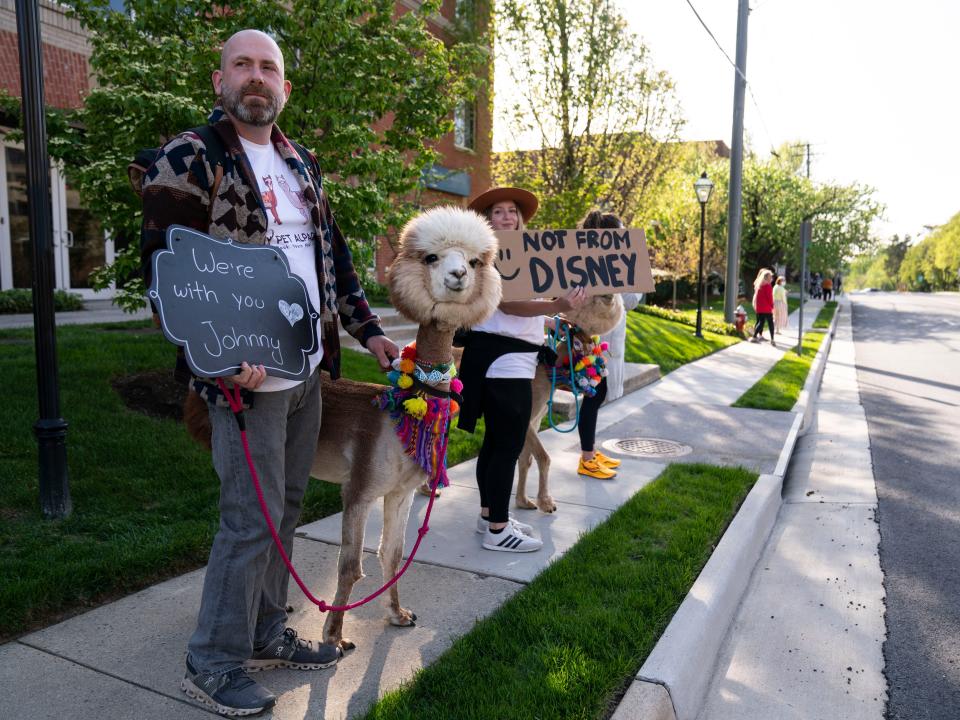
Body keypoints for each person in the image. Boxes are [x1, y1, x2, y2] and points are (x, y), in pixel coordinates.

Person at [141, 30, 398, 717]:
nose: (257, 78)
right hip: (241, 381)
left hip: (308, 372)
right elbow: (167, 274)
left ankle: (264, 629)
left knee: (284, 510)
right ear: (219, 79)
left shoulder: (300, 161)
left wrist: (371, 333)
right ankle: (212, 661)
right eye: (243, 65)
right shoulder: (190, 157)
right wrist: (222, 359)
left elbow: (334, 258)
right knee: (248, 520)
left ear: (284, 86)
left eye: (270, 68)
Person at [458, 187, 585, 552]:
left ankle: (489, 518)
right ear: (487, 220)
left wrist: (555, 309)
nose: (506, 216)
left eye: (511, 210)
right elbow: (511, 307)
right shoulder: (489, 256)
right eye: (497, 212)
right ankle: (499, 530)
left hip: (511, 356)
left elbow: (523, 307)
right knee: (507, 445)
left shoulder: (521, 257)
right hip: (502, 359)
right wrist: (555, 304)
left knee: (497, 442)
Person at [573, 210, 641, 480]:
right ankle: (587, 458)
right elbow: (632, 299)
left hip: (603, 340)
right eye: (620, 233)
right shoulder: (596, 265)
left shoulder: (608, 263)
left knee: (596, 396)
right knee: (594, 395)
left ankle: (589, 452)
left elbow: (631, 300)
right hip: (593, 342)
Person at [749, 268, 776, 346]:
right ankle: (772, 339)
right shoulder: (768, 286)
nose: (771, 278)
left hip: (760, 308)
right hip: (767, 308)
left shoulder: (759, 285)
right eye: (770, 277)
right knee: (770, 323)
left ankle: (754, 336)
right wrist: (772, 306)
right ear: (767, 277)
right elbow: (770, 298)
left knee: (761, 322)